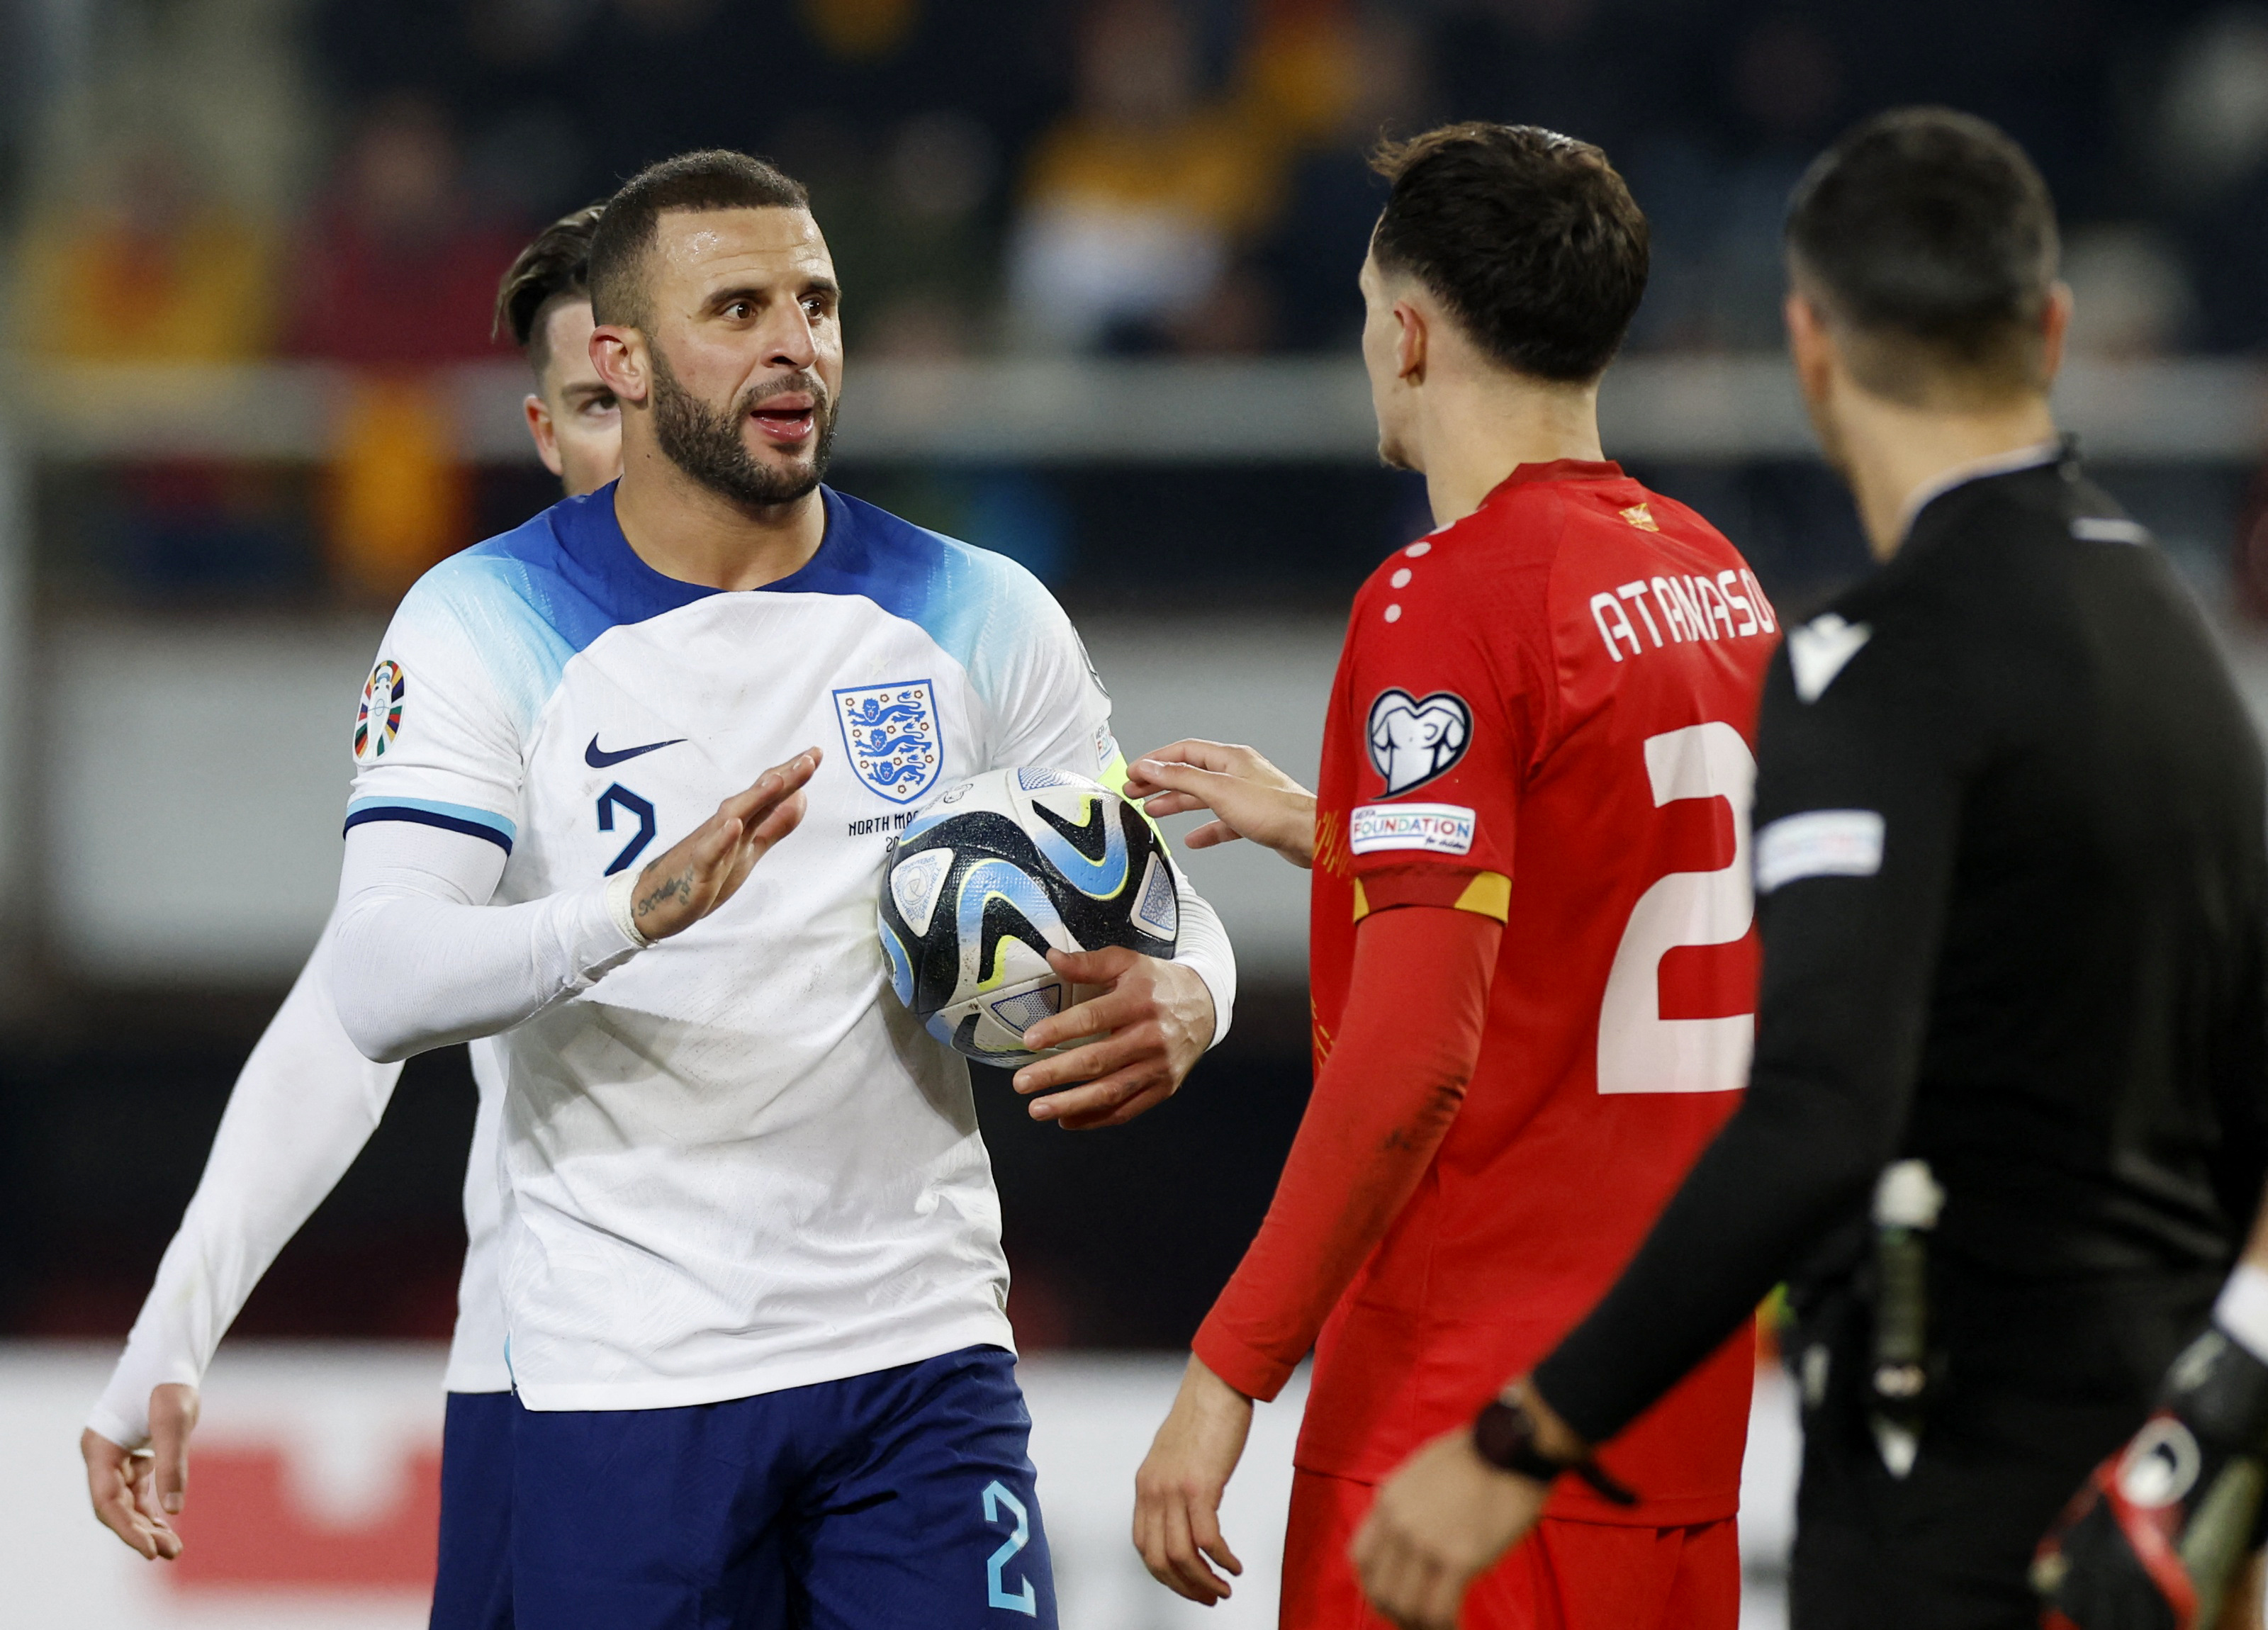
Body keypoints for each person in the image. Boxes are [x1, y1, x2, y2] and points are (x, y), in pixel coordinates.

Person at [1350, 107, 2268, 1630]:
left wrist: (1529, 1433)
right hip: (2159, 1519)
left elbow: (1818, 1118)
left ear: (1811, 347)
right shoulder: (2181, 647)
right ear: (2046, 329)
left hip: (1959, 1503)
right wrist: (2211, 1432)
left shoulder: (1867, 663)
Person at [322, 148, 1236, 1629]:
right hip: (631, 1376)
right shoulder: (481, 617)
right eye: (735, 307)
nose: (791, 341)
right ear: (617, 358)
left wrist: (1196, 992)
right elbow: (377, 976)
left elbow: (1146, 897)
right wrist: (625, 913)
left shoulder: (978, 610)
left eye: (812, 302)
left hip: (921, 1355)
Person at [1125, 122, 1778, 1628]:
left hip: (1456, 1433)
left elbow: (1417, 1056)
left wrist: (1232, 1365)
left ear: (1408, 334)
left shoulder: (1446, 602)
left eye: (1368, 310)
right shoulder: (1712, 575)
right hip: (1671, 1433)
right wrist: (1339, 835)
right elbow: (1620, 882)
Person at [79, 205, 620, 1630]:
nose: (632, 439)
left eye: (654, 395)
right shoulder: (487, 650)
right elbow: (353, 1010)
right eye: (591, 405)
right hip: (565, 1382)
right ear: (544, 432)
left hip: (877, 1366)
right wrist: (174, 1329)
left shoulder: (911, 629)